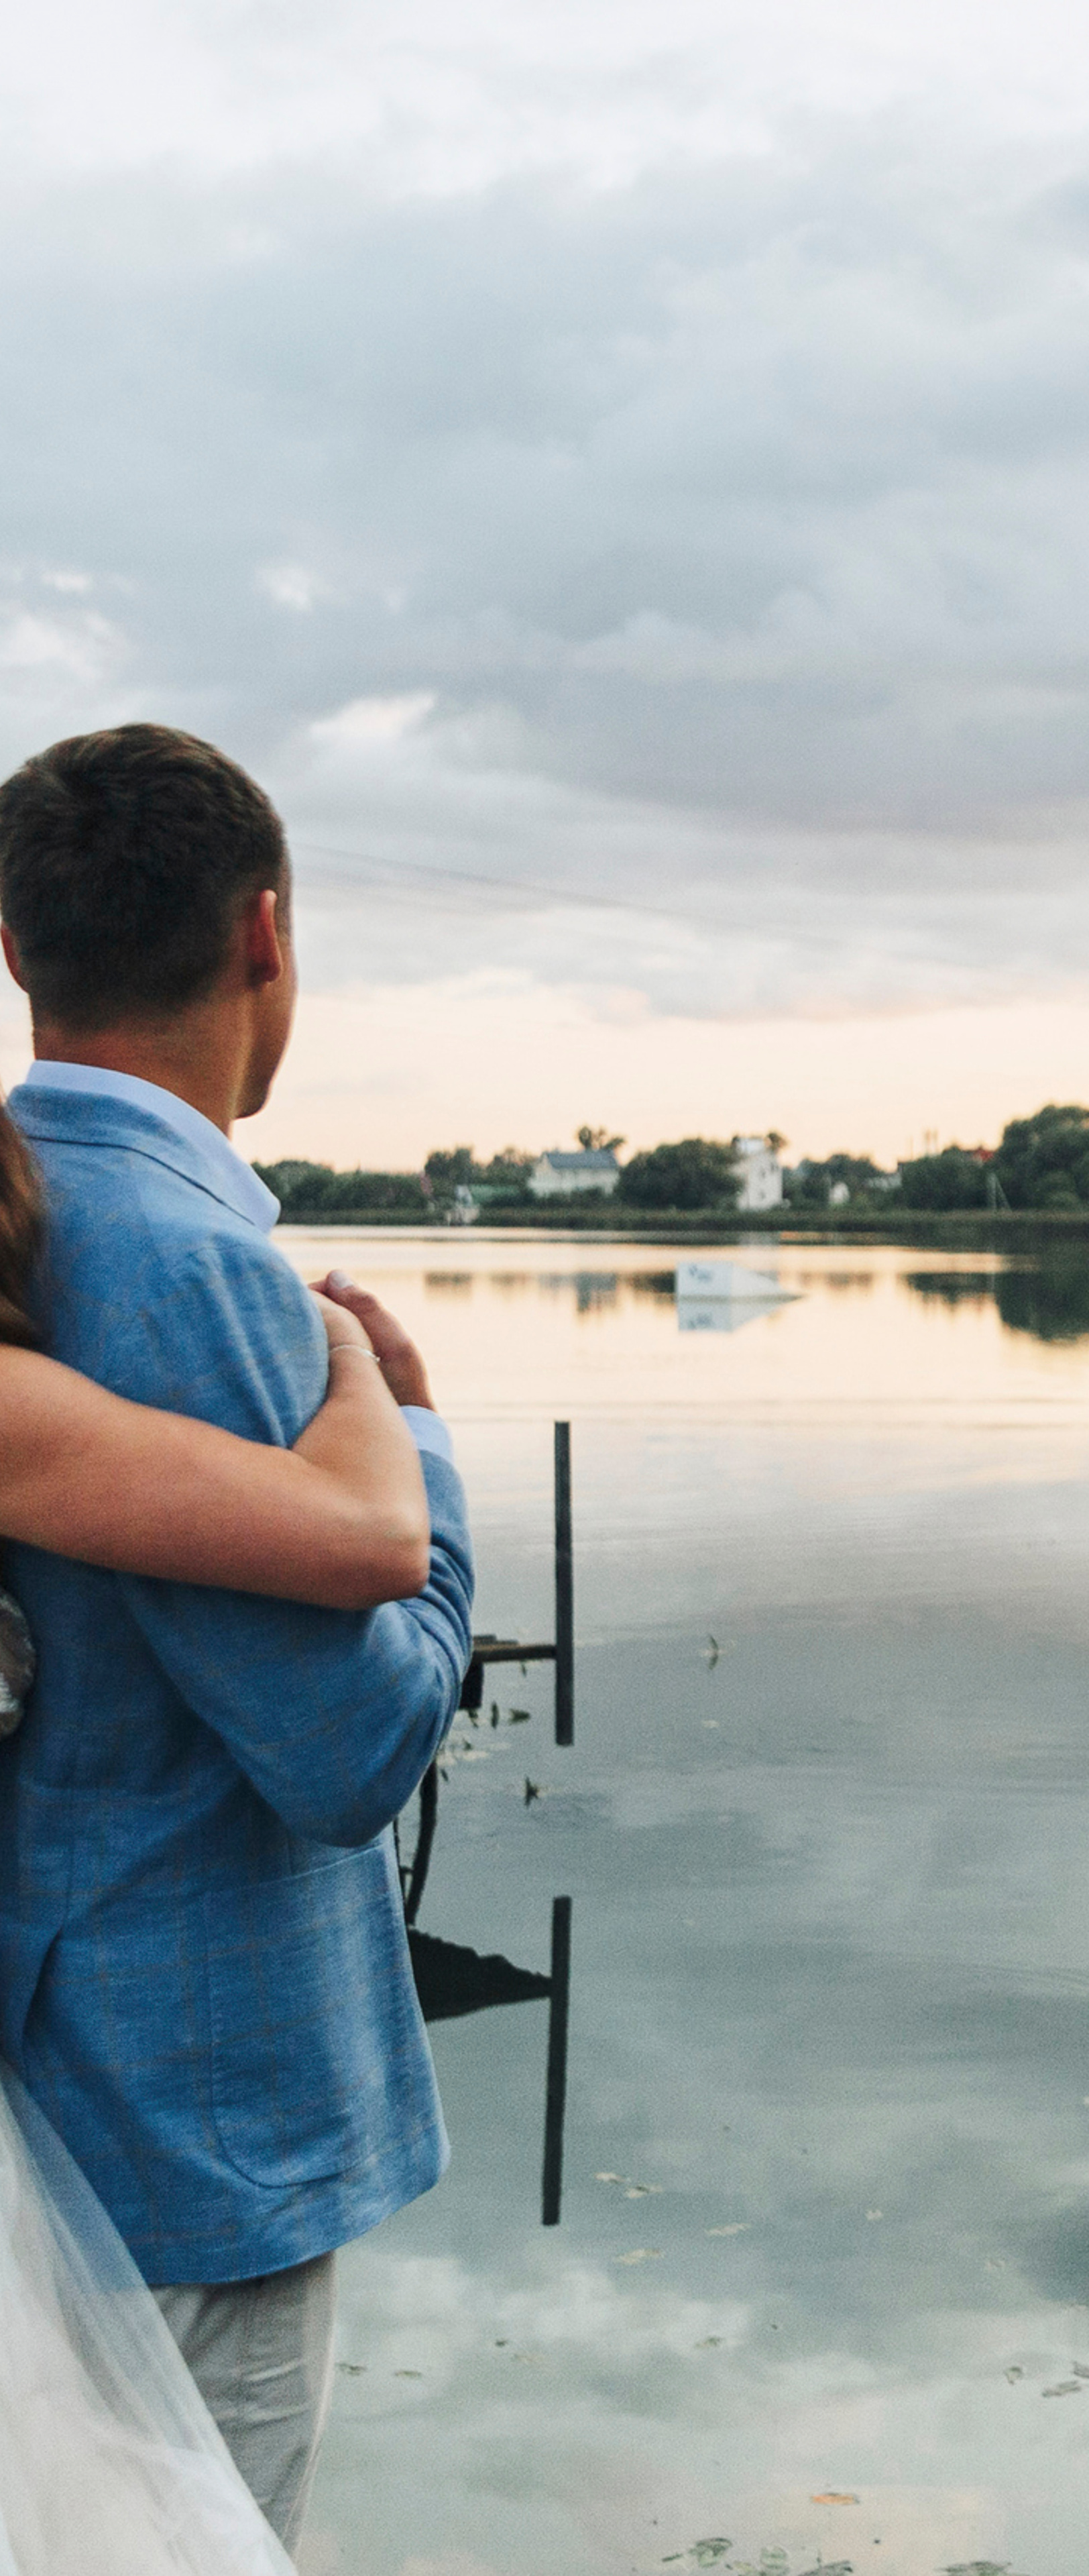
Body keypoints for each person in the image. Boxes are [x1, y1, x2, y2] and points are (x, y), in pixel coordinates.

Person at [0, 720, 476, 2561]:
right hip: (178, 2136)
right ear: (265, 937)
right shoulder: (176, 1258)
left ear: (22, 952)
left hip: (62, 2103)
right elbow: (348, 1753)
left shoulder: (34, 1214)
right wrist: (421, 1439)